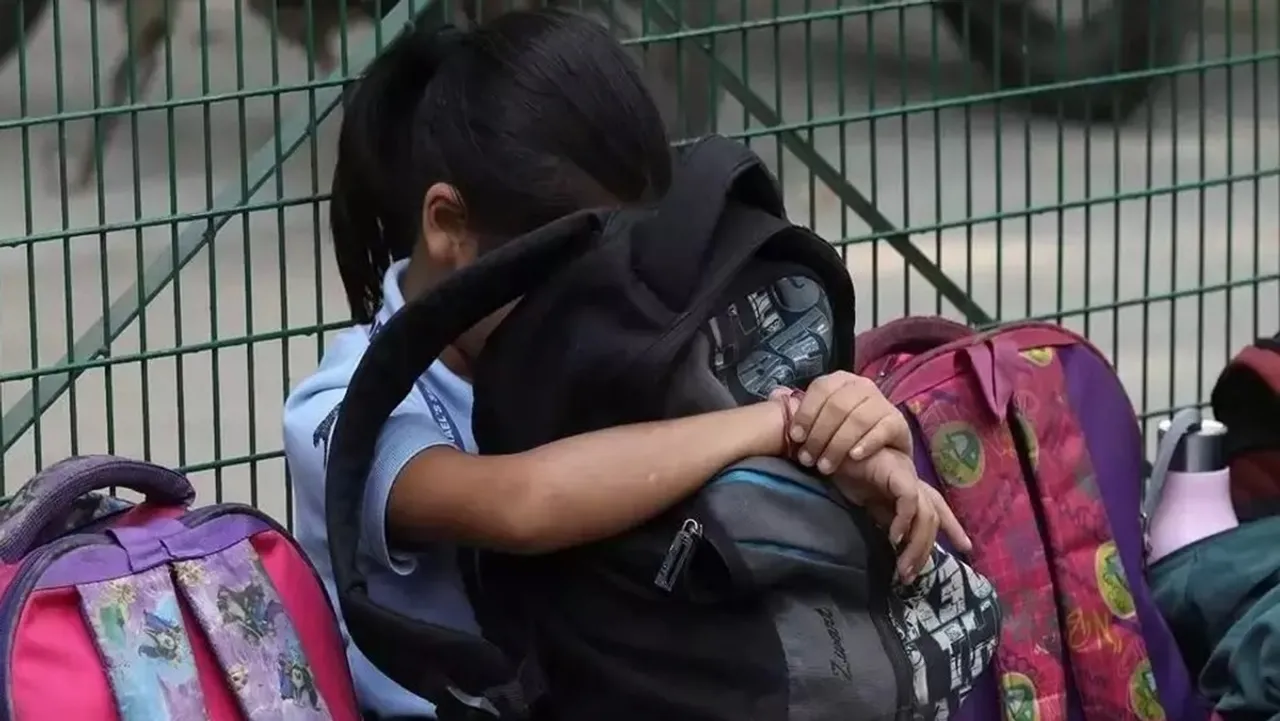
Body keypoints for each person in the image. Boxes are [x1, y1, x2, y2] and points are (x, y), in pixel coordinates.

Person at [282, 8, 971, 719]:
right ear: (450, 227)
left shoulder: (586, 330)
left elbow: (714, 454)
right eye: (562, 277)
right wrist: (773, 423)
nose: (602, 301)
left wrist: (846, 438)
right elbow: (520, 502)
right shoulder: (340, 408)